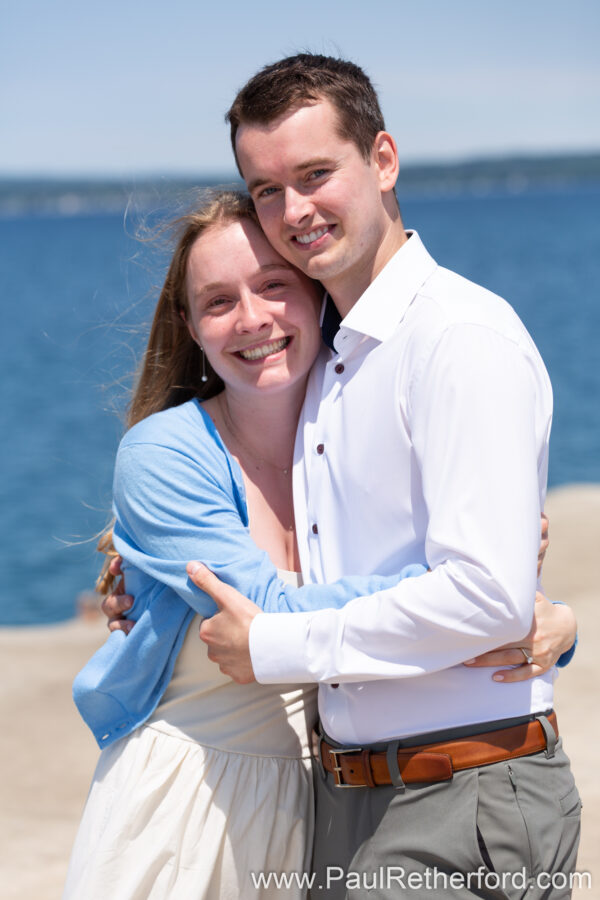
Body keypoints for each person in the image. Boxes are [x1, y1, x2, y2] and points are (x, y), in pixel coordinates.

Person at [178, 54, 581, 898]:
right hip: (349, 797)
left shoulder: (458, 339)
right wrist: (140, 557)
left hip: (460, 796)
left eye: (315, 174)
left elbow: (484, 596)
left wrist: (276, 648)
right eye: (266, 190)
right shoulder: (328, 360)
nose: (294, 211)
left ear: (384, 161)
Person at [66, 189, 445, 900]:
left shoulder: (360, 446)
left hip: (330, 815)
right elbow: (269, 617)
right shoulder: (165, 454)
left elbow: (504, 598)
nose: (253, 319)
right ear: (192, 327)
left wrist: (543, 614)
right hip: (185, 814)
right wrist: (459, 589)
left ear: (316, 294)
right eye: (217, 301)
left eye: (275, 286)